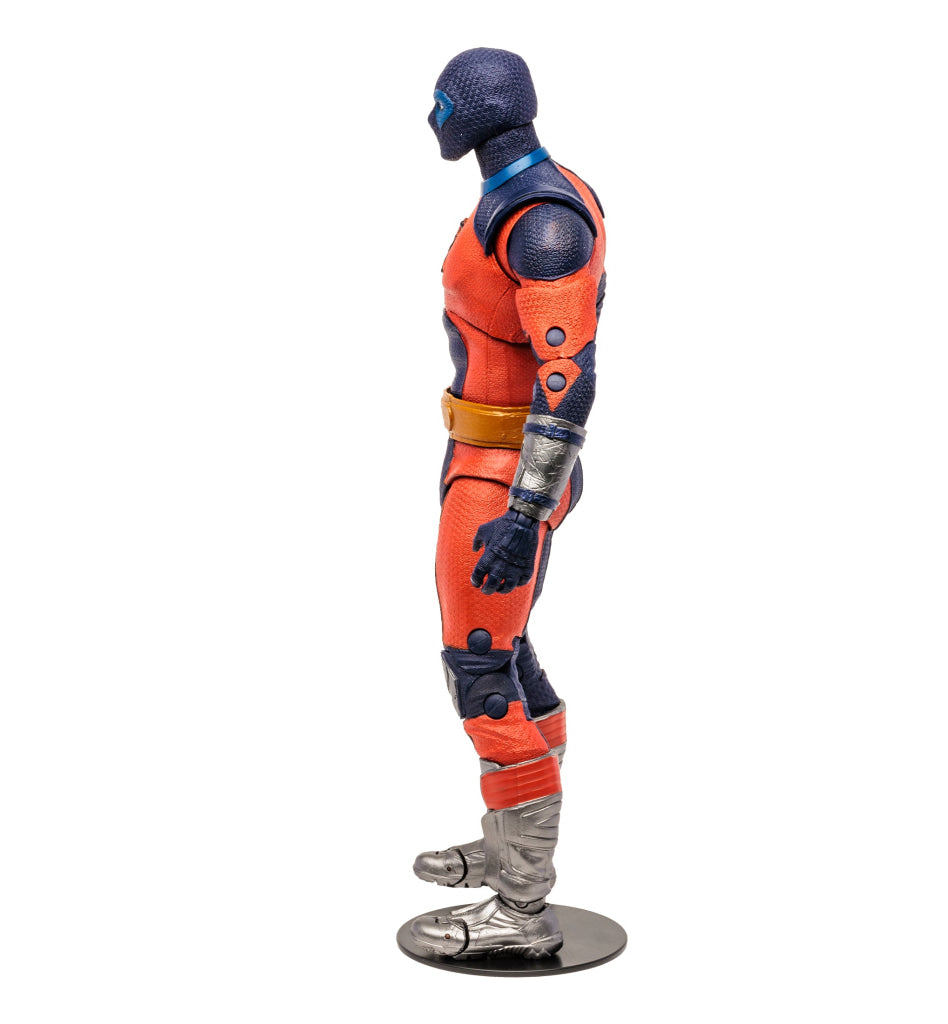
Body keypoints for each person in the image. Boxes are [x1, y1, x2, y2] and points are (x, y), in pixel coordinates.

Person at [410, 47, 606, 960]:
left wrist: (522, 513)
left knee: (480, 665)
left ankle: (522, 905)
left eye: (440, 103)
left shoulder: (542, 221)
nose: (431, 118)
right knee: (508, 650)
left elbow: (569, 379)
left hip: (503, 469)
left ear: (477, 113)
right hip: (482, 454)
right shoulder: (519, 199)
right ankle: (509, 844)